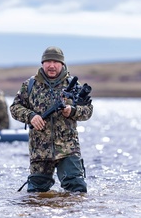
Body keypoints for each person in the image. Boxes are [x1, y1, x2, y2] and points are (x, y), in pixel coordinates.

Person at [10, 46, 93, 193]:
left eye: (56, 61)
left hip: (68, 148)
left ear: (62, 64)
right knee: (36, 193)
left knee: (77, 189)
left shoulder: (73, 86)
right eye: (48, 61)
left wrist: (72, 111)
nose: (52, 65)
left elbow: (87, 111)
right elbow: (15, 108)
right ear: (42, 63)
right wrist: (31, 116)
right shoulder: (30, 85)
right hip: (40, 149)